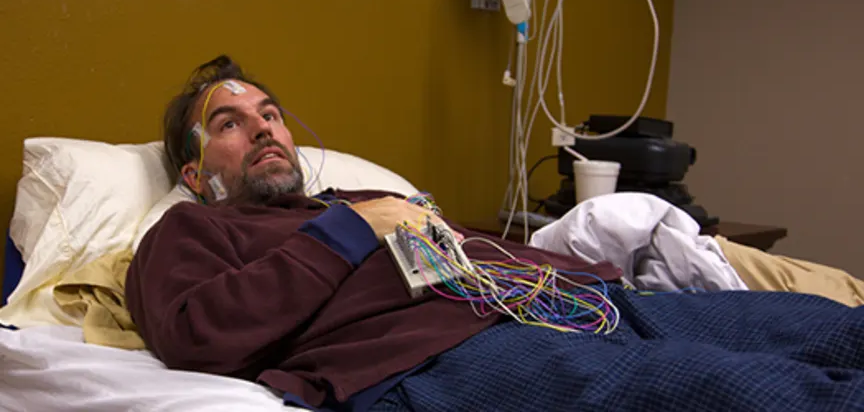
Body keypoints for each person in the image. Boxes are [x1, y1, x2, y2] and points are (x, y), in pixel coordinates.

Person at [127, 55, 864, 412]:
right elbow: (198, 334)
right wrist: (351, 230)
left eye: (270, 113)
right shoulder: (189, 230)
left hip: (579, 304)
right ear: (194, 170)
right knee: (752, 393)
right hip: (441, 357)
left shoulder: (361, 196)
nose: (263, 127)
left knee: (822, 326)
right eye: (229, 123)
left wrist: (588, 277)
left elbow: (483, 254)